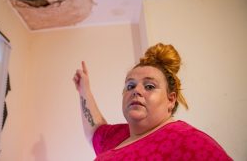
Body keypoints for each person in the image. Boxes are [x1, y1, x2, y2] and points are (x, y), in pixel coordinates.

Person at [73, 43, 232, 160]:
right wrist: (83, 89)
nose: (136, 90)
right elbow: (95, 130)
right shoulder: (118, 136)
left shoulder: (187, 140)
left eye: (149, 86)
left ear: (171, 100)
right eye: (130, 85)